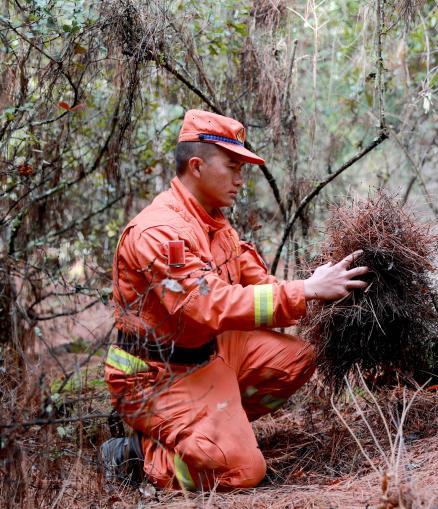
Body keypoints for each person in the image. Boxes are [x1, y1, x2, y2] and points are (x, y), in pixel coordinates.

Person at [100, 109, 369, 491]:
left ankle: (211, 430)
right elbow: (206, 305)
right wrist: (307, 289)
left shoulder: (215, 224)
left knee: (298, 359)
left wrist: (328, 287)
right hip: (155, 376)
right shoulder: (160, 231)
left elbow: (258, 284)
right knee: (242, 472)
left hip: (207, 352)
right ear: (197, 166)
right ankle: (138, 455)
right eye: (233, 167)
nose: (241, 180)